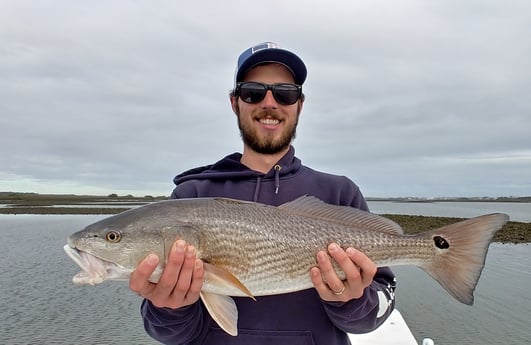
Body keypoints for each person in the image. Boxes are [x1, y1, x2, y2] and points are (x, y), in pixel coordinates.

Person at [129, 42, 396, 345]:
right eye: (253, 92)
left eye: (285, 93)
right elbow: (171, 334)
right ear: (234, 102)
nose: (269, 103)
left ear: (300, 104)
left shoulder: (339, 193)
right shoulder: (191, 196)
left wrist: (351, 301)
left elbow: (373, 314)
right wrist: (169, 307)